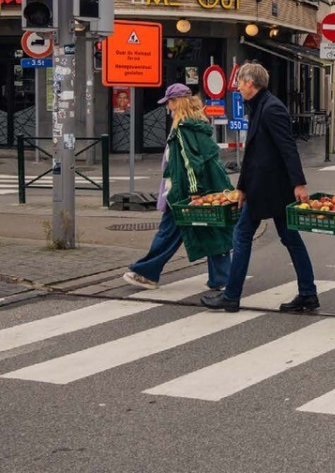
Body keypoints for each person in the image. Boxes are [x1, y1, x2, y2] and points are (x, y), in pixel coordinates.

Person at [201, 63, 318, 313]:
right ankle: (308, 293)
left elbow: (288, 147)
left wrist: (299, 183)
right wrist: (242, 187)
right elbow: (253, 154)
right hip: (264, 187)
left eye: (240, 83)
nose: (238, 87)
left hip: (270, 188)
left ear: (250, 83)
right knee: (289, 238)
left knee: (243, 236)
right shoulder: (259, 106)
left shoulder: (271, 109)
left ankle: (231, 296)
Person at [124, 84, 233, 291]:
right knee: (212, 230)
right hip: (209, 187)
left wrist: (193, 192)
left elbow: (190, 162)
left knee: (167, 233)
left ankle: (147, 273)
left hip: (183, 192)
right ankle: (222, 278)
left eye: (169, 103)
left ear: (177, 102)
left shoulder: (182, 128)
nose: (168, 108)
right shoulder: (198, 124)